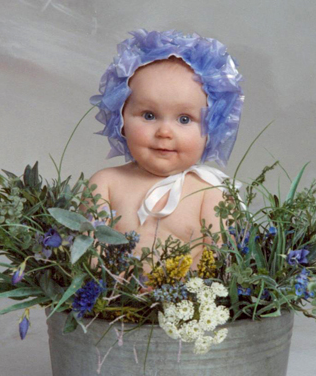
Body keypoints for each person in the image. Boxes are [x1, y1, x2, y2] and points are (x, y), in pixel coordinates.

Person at [82, 29, 244, 272]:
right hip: (113, 304)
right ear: (120, 117)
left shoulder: (211, 194)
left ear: (214, 126)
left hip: (184, 306)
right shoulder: (106, 184)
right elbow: (89, 252)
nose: (164, 132)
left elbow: (220, 263)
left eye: (184, 119)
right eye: (149, 115)